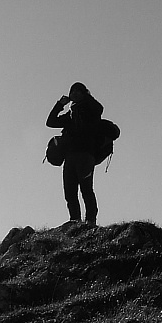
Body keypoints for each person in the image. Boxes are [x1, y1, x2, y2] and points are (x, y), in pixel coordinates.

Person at [46, 82, 104, 224]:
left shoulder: (91, 111)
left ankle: (90, 222)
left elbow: (99, 109)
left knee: (86, 190)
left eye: (79, 91)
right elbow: (50, 122)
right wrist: (60, 104)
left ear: (84, 93)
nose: (75, 94)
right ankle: (75, 222)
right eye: (73, 92)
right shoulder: (70, 115)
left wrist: (86, 97)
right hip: (70, 157)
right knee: (70, 193)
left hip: (86, 155)